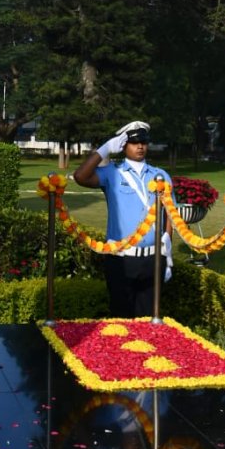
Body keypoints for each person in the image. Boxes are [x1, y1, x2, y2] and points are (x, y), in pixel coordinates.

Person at [73, 121, 173, 317]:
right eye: (134, 142)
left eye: (143, 142)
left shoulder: (160, 175)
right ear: (123, 145)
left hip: (153, 258)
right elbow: (80, 176)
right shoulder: (112, 172)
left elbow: (169, 214)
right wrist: (105, 150)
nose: (140, 146)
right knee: (121, 319)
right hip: (121, 257)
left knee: (149, 320)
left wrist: (167, 251)